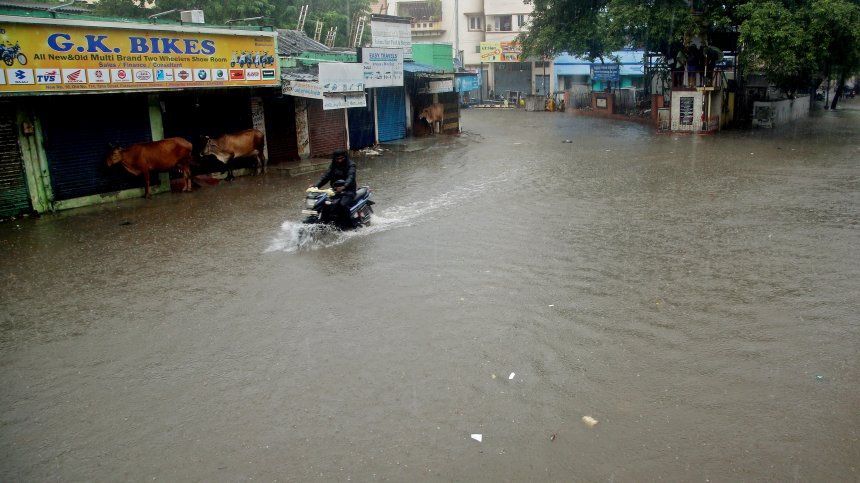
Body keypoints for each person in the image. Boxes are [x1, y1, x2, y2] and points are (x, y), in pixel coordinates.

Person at [311, 149, 356, 225]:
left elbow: (350, 177)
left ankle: (349, 225)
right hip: (334, 191)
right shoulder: (333, 165)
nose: (339, 160)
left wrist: (344, 186)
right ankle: (325, 222)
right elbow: (325, 176)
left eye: (342, 158)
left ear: (345, 157)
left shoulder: (351, 165)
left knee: (342, 205)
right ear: (335, 159)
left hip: (348, 191)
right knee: (324, 203)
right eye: (337, 159)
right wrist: (315, 186)